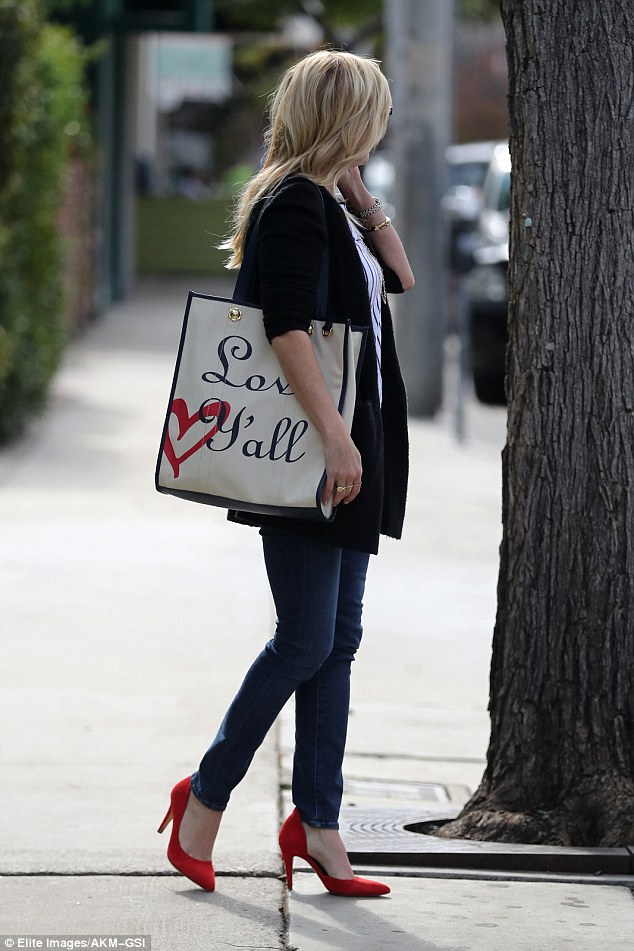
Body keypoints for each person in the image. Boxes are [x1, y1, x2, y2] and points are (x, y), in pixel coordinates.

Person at [158, 49, 414, 898]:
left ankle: (319, 822)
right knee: (307, 639)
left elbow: (402, 280)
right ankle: (205, 794)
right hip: (319, 448)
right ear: (347, 115)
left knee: (336, 642)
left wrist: (359, 189)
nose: (381, 127)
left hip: (351, 443)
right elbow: (286, 327)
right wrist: (338, 437)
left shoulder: (328, 202)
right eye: (371, 112)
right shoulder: (295, 205)